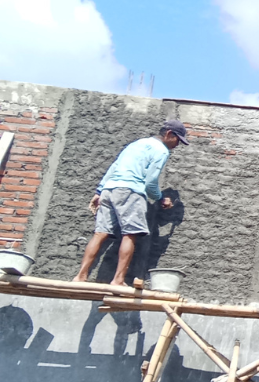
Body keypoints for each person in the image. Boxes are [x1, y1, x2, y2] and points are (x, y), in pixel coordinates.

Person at [72, 120, 189, 286]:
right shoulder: (161, 150)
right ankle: (118, 280)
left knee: (100, 233)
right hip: (130, 192)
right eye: (178, 140)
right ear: (169, 134)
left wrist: (99, 191)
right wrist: (160, 198)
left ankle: (80, 276)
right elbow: (150, 182)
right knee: (130, 234)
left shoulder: (136, 144)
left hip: (109, 189)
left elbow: (114, 167)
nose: (177, 145)